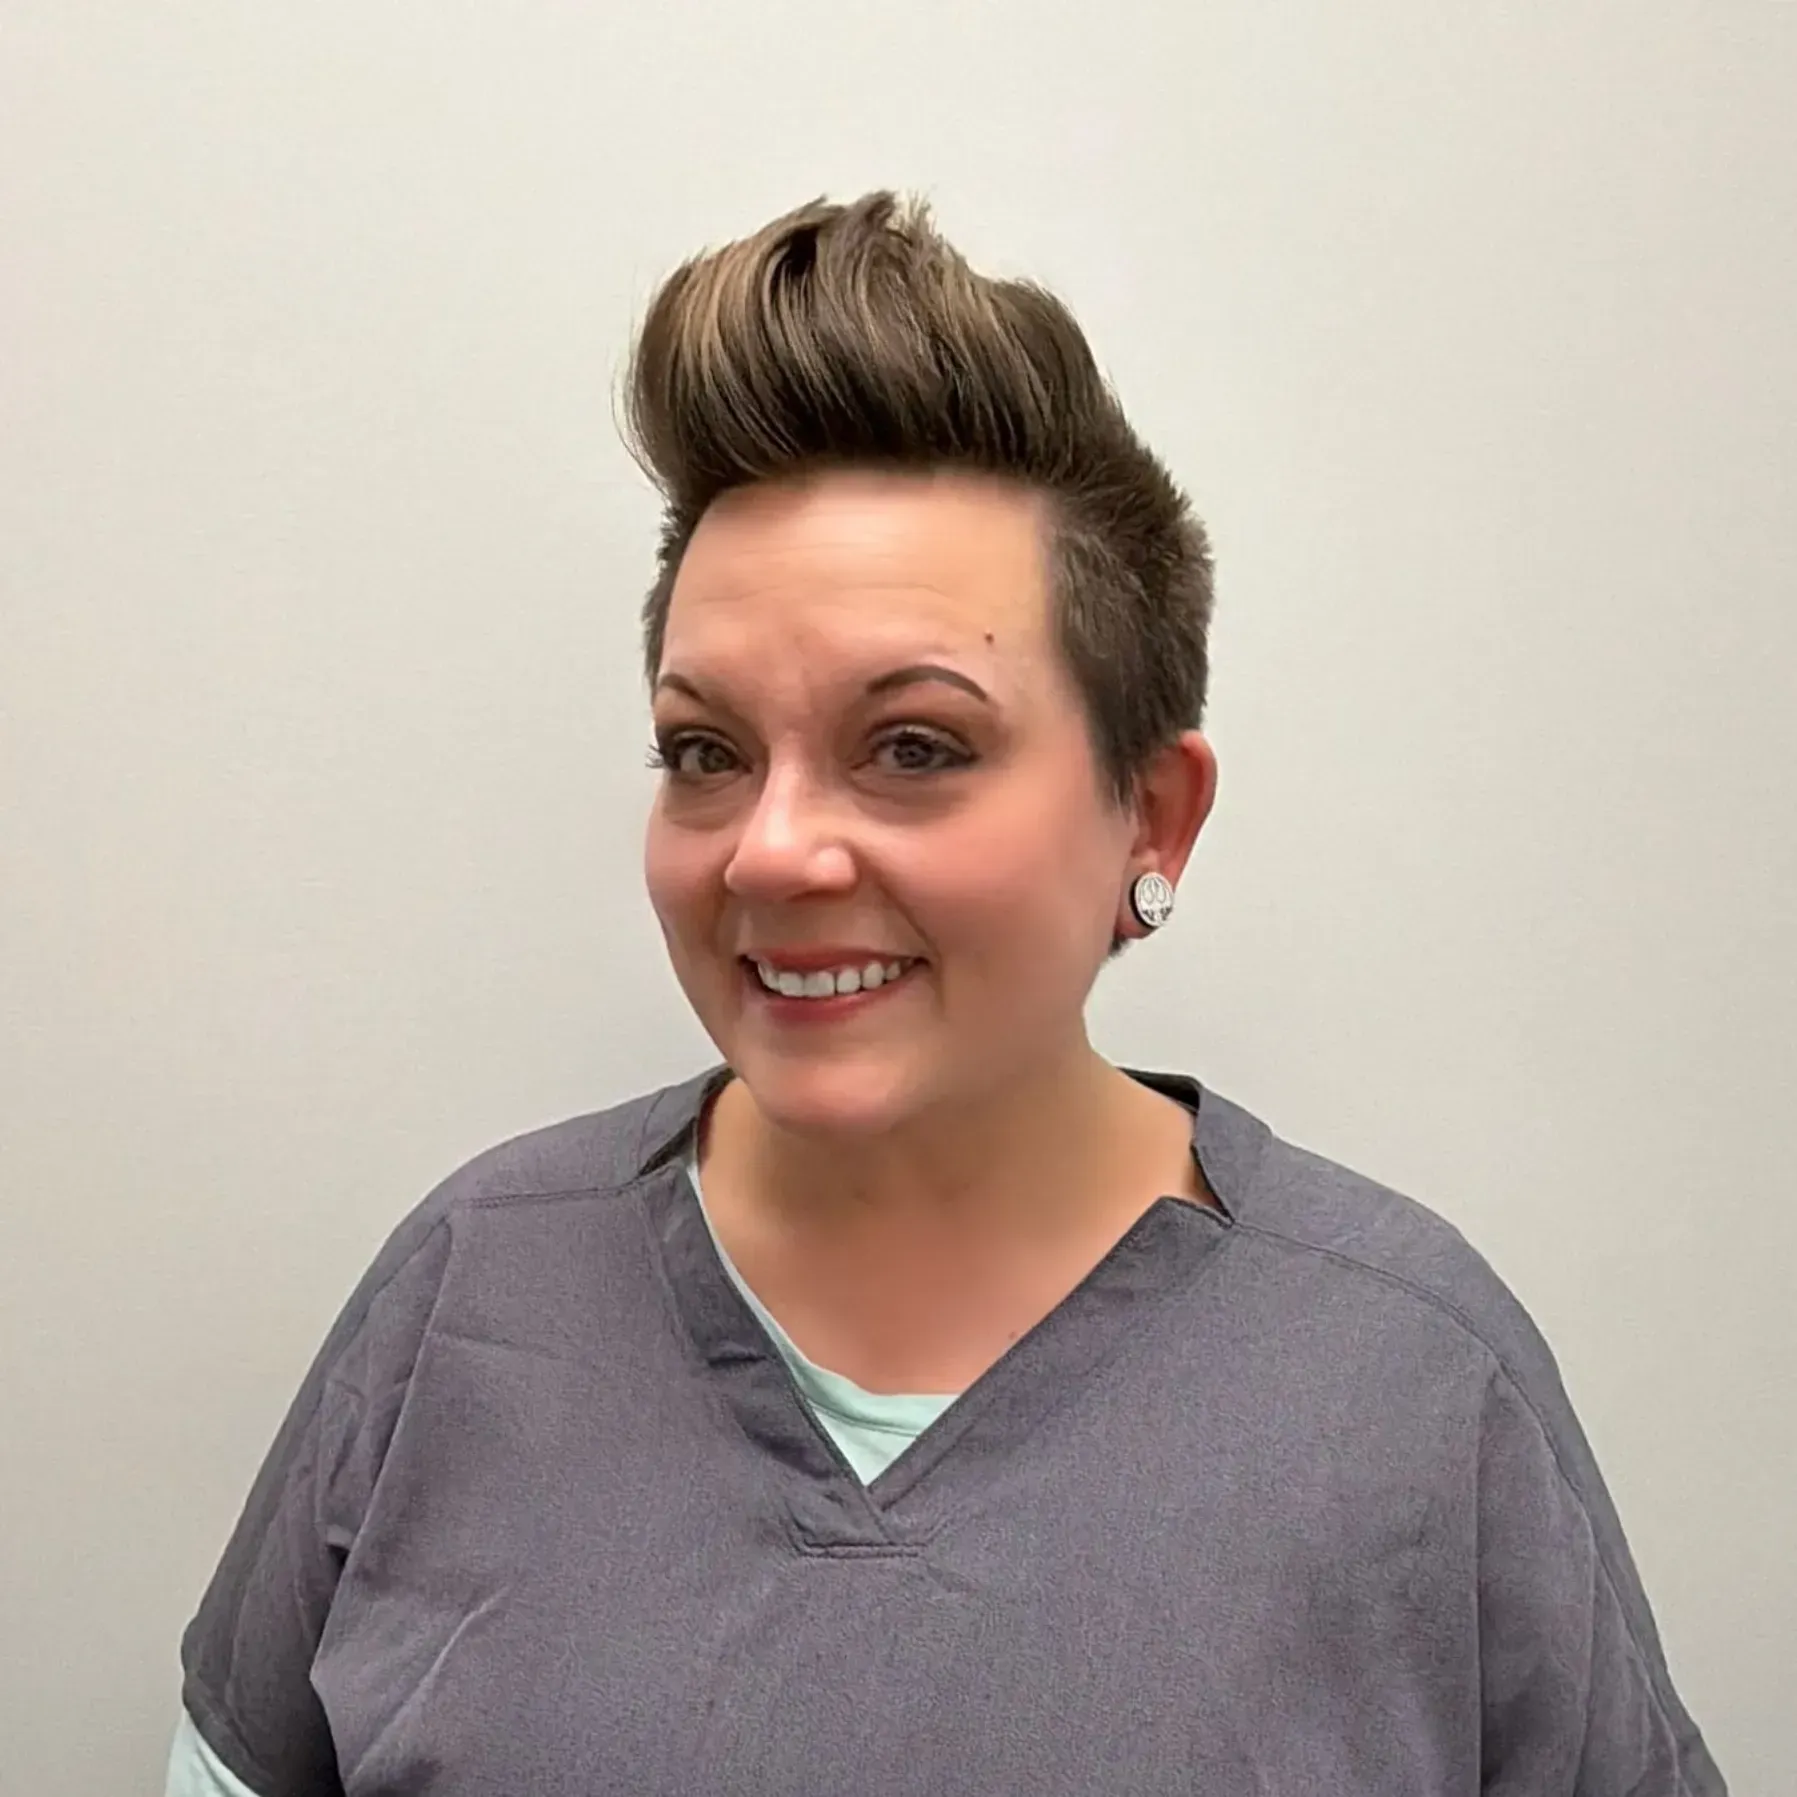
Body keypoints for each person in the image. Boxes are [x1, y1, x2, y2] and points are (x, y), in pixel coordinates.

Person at [167, 192, 1726, 1796]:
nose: (770, 852)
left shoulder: (1411, 1381)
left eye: (913, 747)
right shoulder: (466, 1300)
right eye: (705, 752)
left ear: (1154, 815)